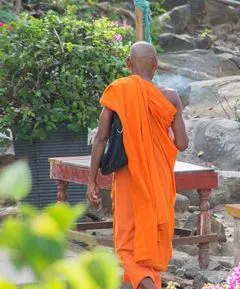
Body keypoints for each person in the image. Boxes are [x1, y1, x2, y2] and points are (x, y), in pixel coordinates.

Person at [87, 41, 188, 289]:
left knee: (127, 242)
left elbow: (100, 138)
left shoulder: (119, 91)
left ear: (128, 63)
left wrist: (92, 181)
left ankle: (147, 284)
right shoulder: (172, 97)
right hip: (160, 178)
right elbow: (183, 144)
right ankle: (146, 280)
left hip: (128, 177)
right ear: (155, 64)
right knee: (152, 232)